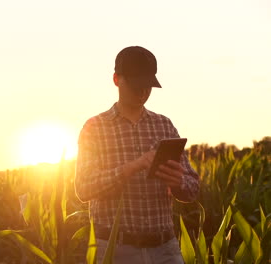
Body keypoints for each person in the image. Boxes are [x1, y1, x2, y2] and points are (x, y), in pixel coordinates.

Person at [75, 46, 199, 264]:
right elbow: (83, 188)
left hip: (165, 250)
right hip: (115, 250)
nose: (142, 92)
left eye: (148, 86)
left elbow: (193, 187)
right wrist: (133, 166)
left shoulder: (164, 125)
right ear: (116, 79)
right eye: (136, 85)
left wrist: (178, 181)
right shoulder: (94, 128)